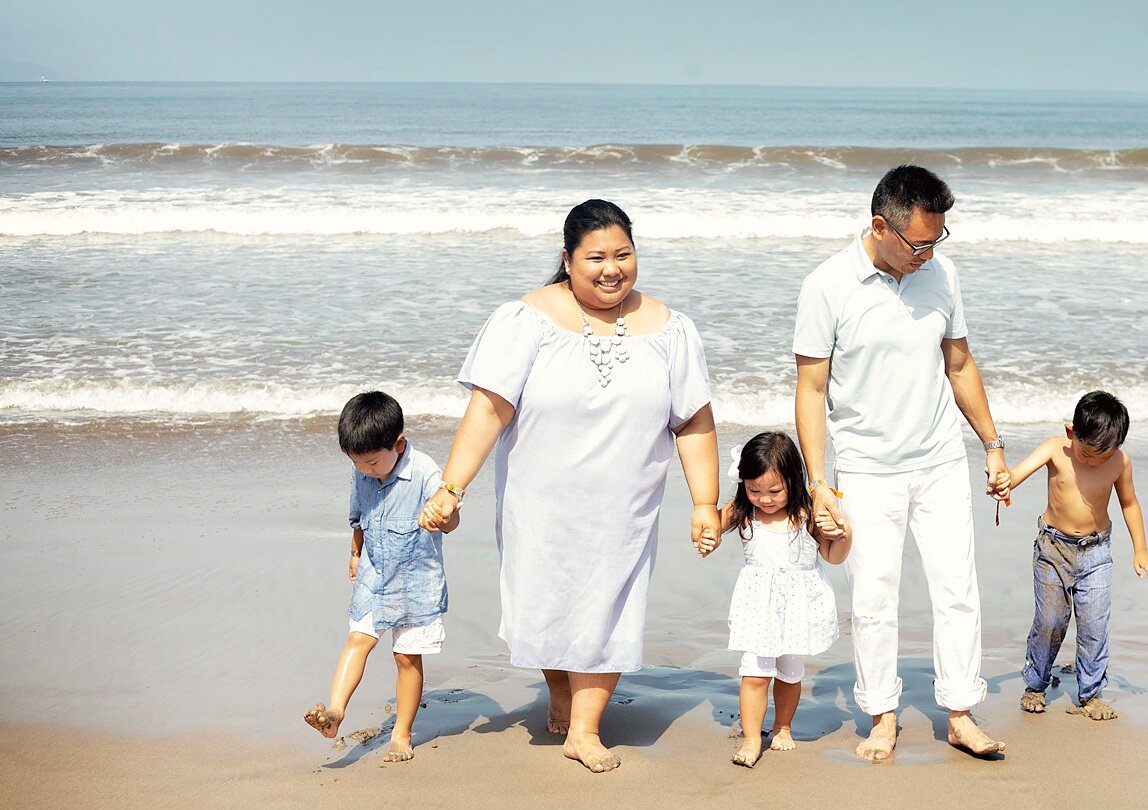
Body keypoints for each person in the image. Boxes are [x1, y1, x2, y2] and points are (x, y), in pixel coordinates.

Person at [417, 199, 718, 774]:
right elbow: (488, 410)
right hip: (540, 502)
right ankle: (560, 686)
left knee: (610, 606)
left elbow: (695, 422)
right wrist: (452, 487)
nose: (612, 269)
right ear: (567, 259)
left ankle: (585, 728)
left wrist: (705, 502)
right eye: (596, 258)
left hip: (625, 505)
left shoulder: (671, 328)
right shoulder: (525, 320)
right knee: (547, 602)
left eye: (623, 255)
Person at [793, 164, 1009, 762]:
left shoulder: (942, 274)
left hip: (940, 458)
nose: (929, 252)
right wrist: (818, 484)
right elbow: (810, 390)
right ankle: (882, 716)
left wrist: (991, 444)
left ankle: (961, 713)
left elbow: (960, 365)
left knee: (958, 589)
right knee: (873, 596)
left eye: (939, 238)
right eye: (919, 241)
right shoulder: (827, 285)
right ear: (879, 226)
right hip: (867, 466)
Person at [304, 391, 458, 762]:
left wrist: (443, 515)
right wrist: (356, 553)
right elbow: (358, 519)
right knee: (357, 639)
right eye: (357, 464)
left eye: (372, 463)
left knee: (406, 658)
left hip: (414, 581)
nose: (365, 471)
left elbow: (451, 519)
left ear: (398, 443)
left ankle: (402, 735)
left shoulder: (424, 472)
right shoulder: (359, 473)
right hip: (375, 572)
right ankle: (335, 713)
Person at [1000, 390, 1148, 721]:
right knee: (1049, 621)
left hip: (1096, 554)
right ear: (1070, 432)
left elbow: (1129, 504)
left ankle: (1090, 693)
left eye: (1105, 455)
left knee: (1094, 625)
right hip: (1053, 550)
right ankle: (1035, 684)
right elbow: (1016, 475)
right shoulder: (1055, 449)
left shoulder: (1120, 462)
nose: (1095, 461)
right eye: (1089, 454)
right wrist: (1004, 484)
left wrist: (1141, 550)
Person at [711, 431, 851, 768]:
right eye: (754, 489)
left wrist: (844, 532)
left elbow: (834, 556)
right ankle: (749, 739)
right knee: (755, 673)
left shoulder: (806, 515)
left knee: (789, 673)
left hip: (798, 606)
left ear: (793, 480)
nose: (765, 499)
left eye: (774, 490)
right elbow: (711, 526)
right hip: (758, 605)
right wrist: (704, 533)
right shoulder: (744, 512)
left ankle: (783, 726)